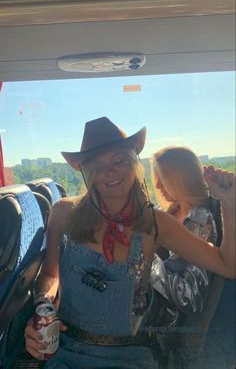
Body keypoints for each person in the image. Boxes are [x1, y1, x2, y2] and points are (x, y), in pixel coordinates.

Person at [24, 117, 235, 369]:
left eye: (119, 161)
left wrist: (229, 203)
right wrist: (43, 307)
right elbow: (49, 274)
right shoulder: (63, 213)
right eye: (98, 166)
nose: (110, 172)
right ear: (87, 172)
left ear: (134, 164)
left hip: (129, 356)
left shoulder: (156, 222)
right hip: (65, 351)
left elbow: (226, 264)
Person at [149, 146, 225, 368]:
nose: (157, 186)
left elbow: (189, 297)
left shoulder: (200, 219)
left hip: (171, 333)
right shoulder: (174, 212)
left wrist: (146, 260)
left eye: (163, 178)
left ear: (179, 178)